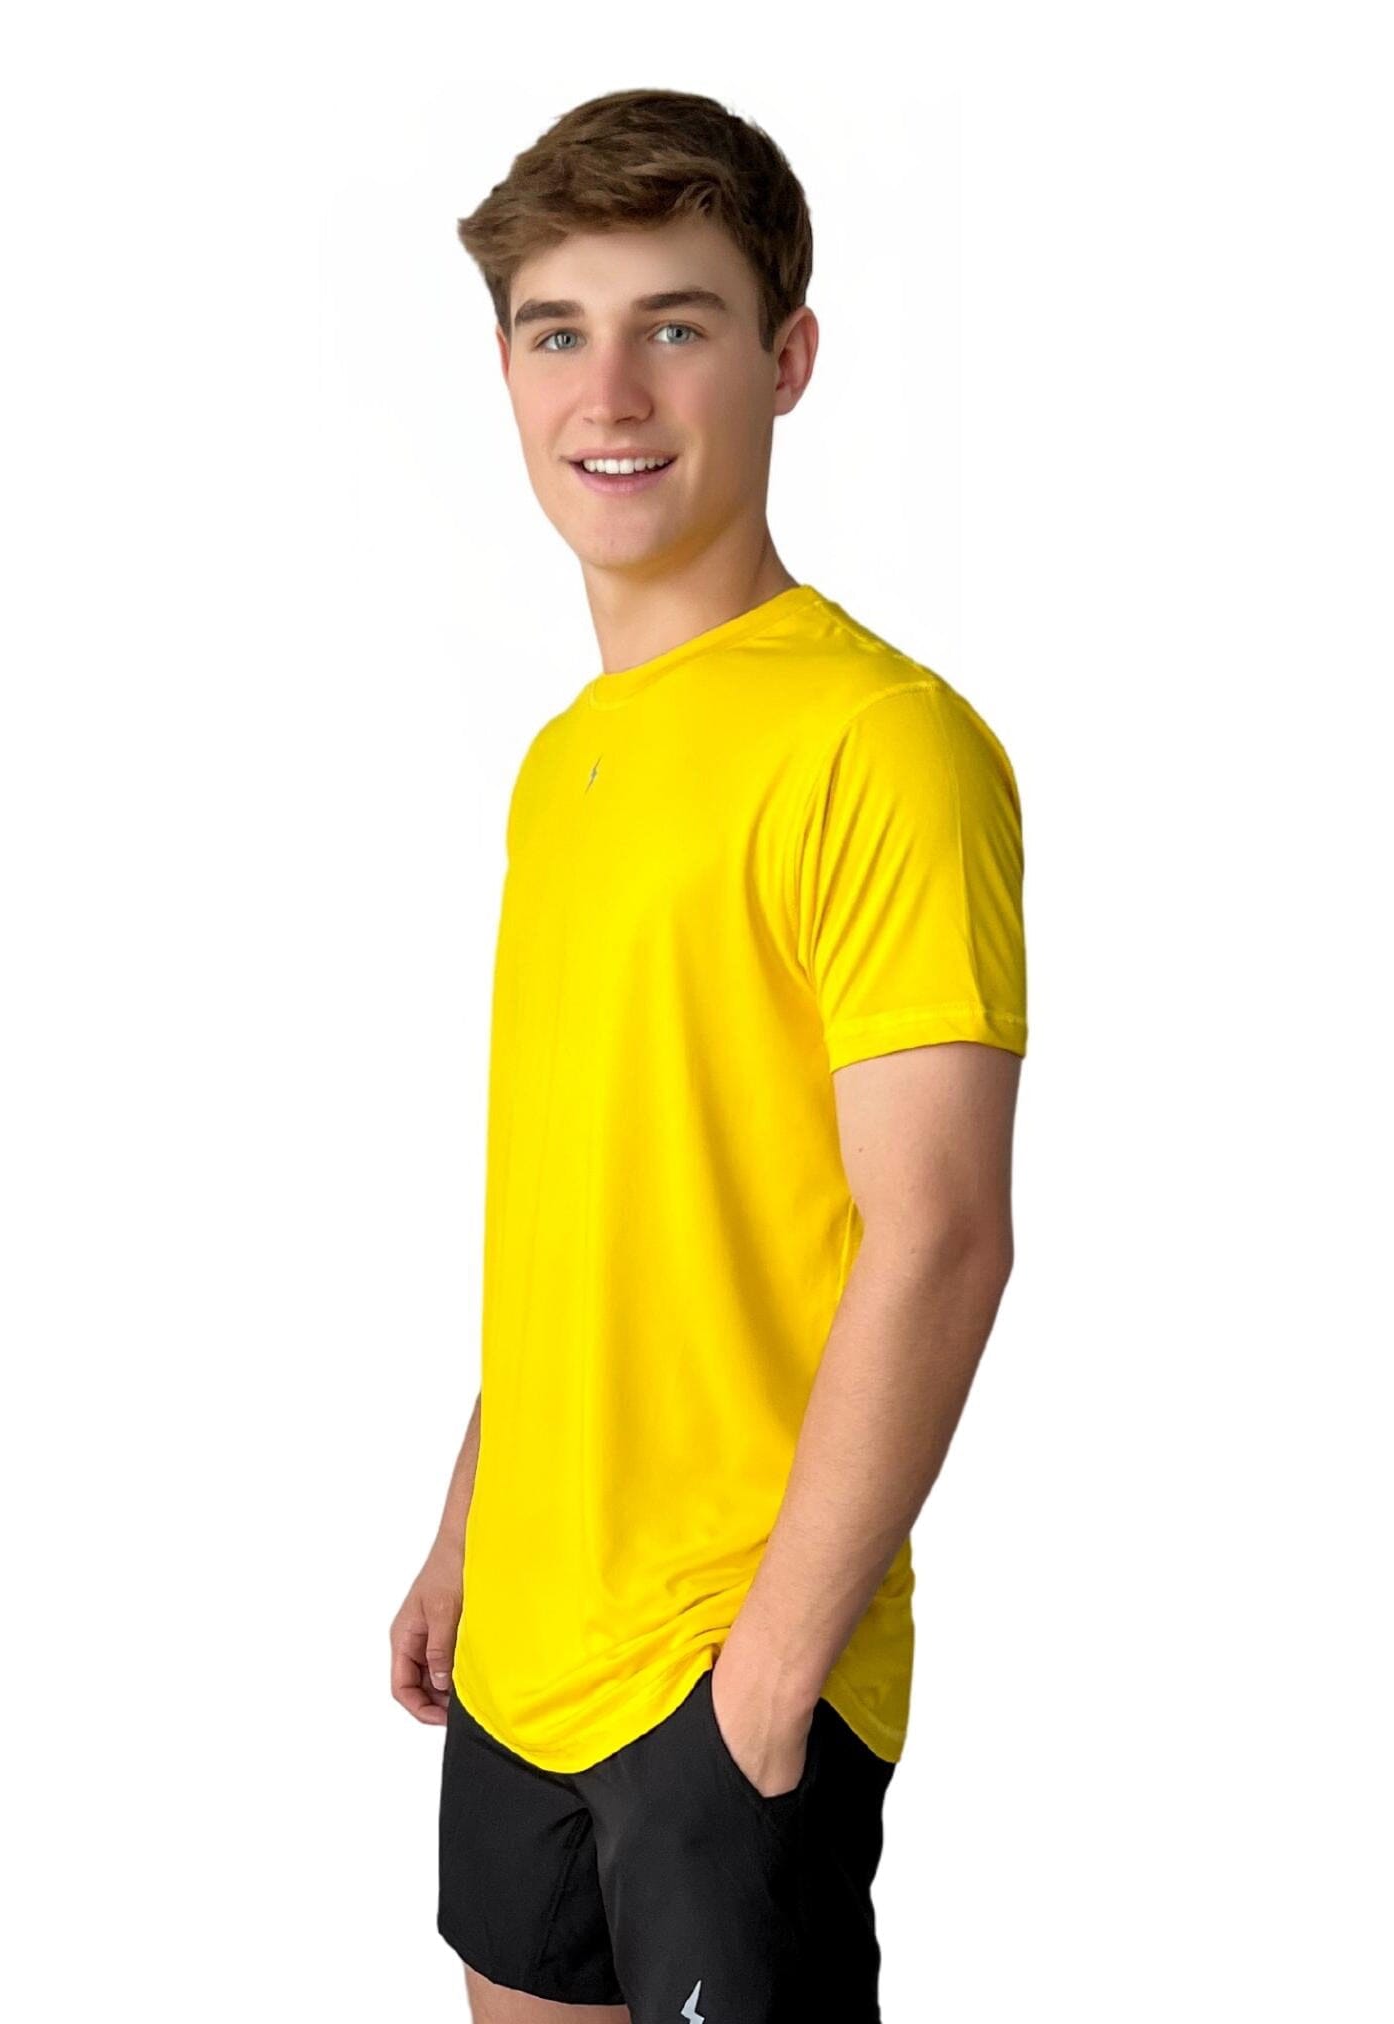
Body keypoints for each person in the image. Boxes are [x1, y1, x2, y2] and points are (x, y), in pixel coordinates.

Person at [390, 88, 1028, 2024]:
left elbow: (941, 1234)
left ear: (787, 358)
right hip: (529, 1644)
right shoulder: (563, 766)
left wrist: (767, 1676)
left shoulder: (879, 743)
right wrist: (466, 1527)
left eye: (675, 325)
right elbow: (598, 1192)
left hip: (726, 1661)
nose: (610, 393)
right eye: (556, 332)